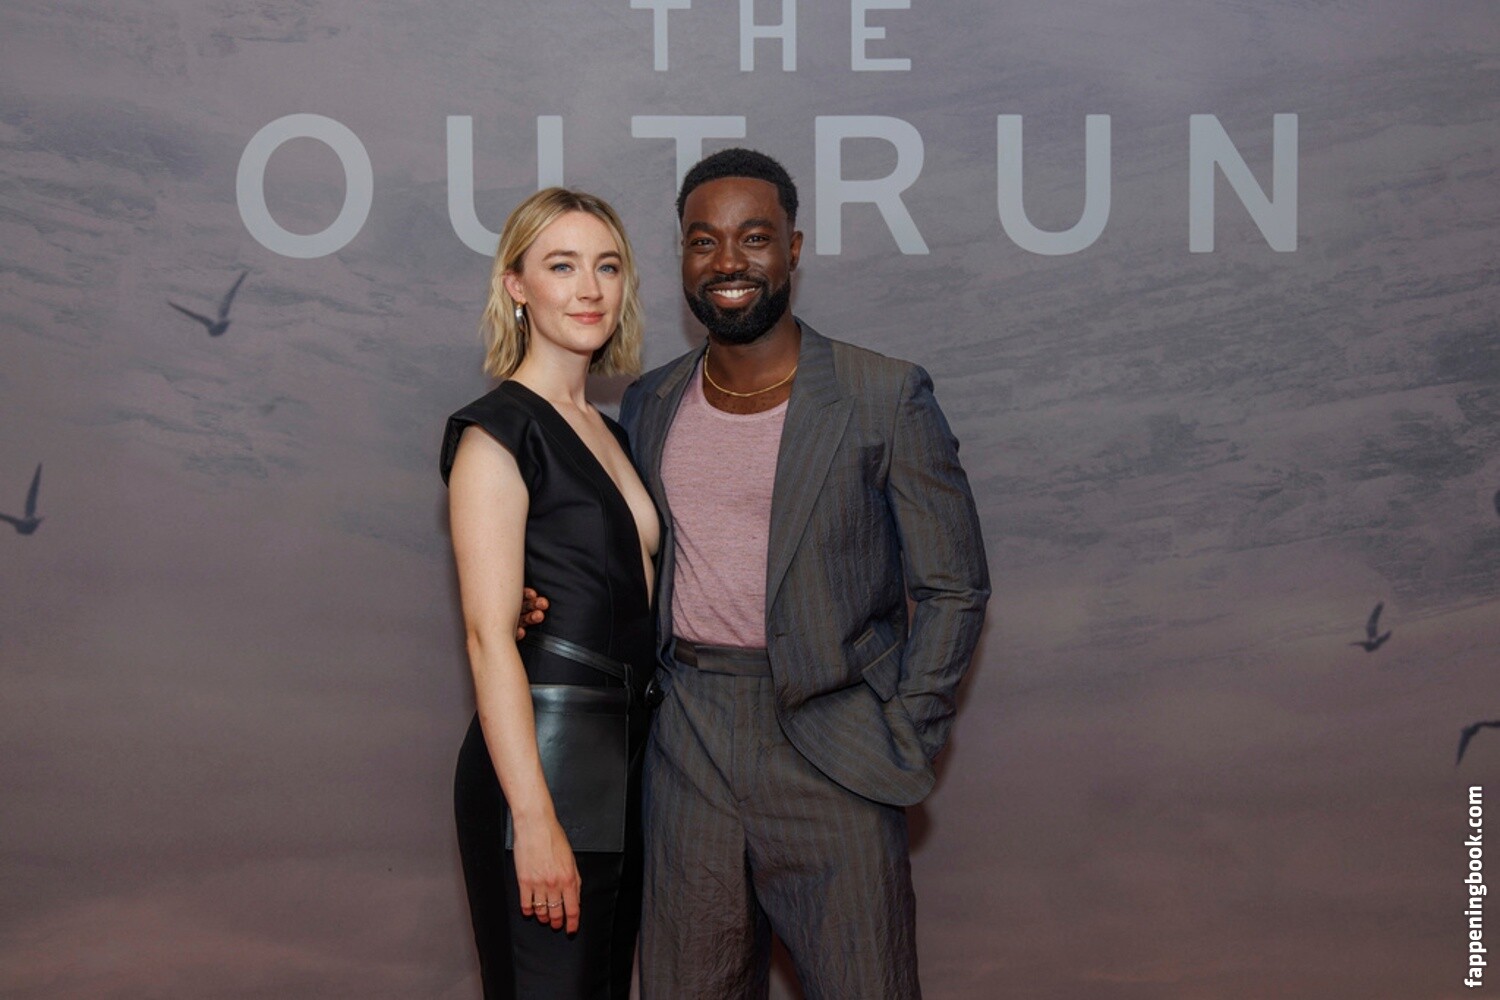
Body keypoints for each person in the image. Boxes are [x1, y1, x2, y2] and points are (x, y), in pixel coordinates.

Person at [534, 149, 990, 998]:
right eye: (703, 241)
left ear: (793, 249)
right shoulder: (651, 400)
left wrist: (904, 733)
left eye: (754, 237)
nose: (728, 261)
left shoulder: (883, 395)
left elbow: (955, 587)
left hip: (834, 742)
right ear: (682, 257)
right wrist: (541, 603)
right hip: (687, 748)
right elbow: (627, 555)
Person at [440, 187, 660, 1000]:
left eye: (607, 266)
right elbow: (488, 639)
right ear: (517, 285)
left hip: (628, 760)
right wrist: (532, 820)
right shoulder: (496, 433)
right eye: (562, 266)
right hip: (546, 764)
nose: (589, 289)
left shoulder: (613, 430)